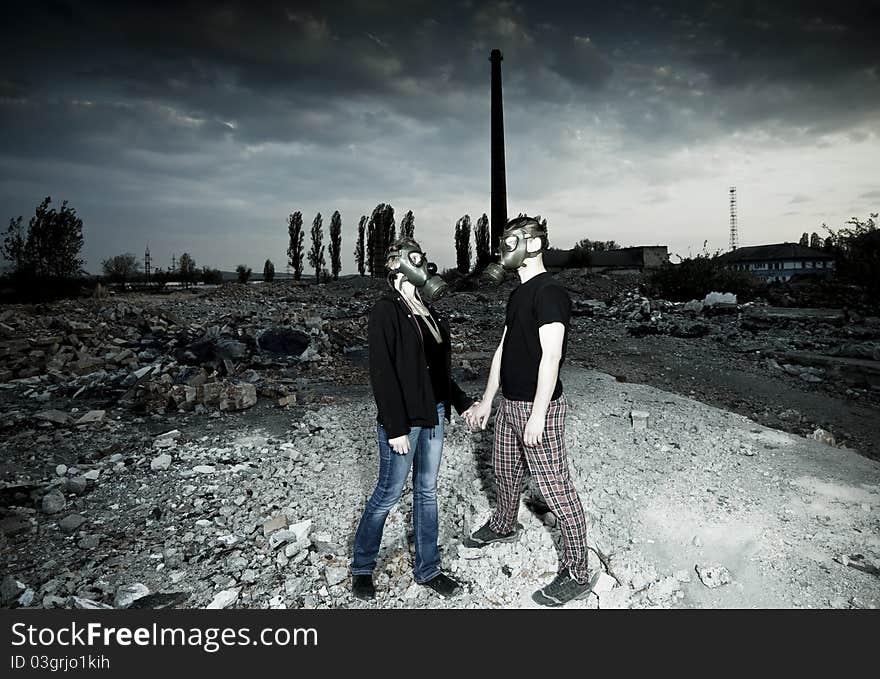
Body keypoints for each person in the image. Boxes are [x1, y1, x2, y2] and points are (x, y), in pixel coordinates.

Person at [464, 215, 598, 606]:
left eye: (511, 242)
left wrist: (538, 414)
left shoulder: (550, 292)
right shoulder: (517, 294)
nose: (503, 249)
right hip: (509, 404)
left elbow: (551, 355)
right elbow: (503, 350)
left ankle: (577, 572)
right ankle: (505, 524)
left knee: (556, 489)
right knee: (504, 471)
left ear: (534, 246)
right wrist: (489, 399)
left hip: (540, 407)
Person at [350, 237, 475, 601]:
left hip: (434, 414)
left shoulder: (430, 311)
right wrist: (396, 427)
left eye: (423, 257)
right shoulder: (386, 310)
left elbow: (438, 372)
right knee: (387, 495)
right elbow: (382, 373)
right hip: (405, 419)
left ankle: (428, 569)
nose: (422, 264)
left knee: (426, 492)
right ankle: (362, 567)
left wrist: (462, 402)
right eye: (414, 258)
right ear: (396, 266)